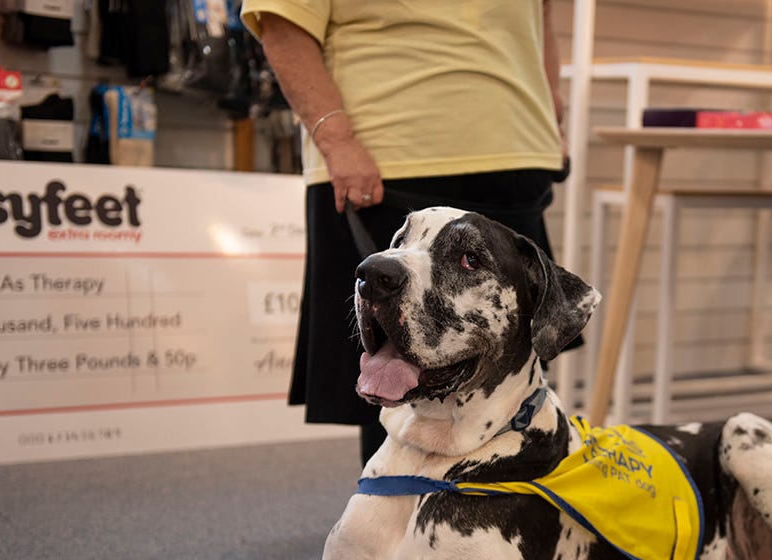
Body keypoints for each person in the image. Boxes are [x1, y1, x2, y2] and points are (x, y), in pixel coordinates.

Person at [240, 0, 571, 465]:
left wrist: (551, 110)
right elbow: (282, 21)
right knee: (391, 363)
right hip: (387, 164)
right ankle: (392, 523)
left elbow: (541, 18)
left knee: (512, 361)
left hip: (515, 158)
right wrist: (337, 140)